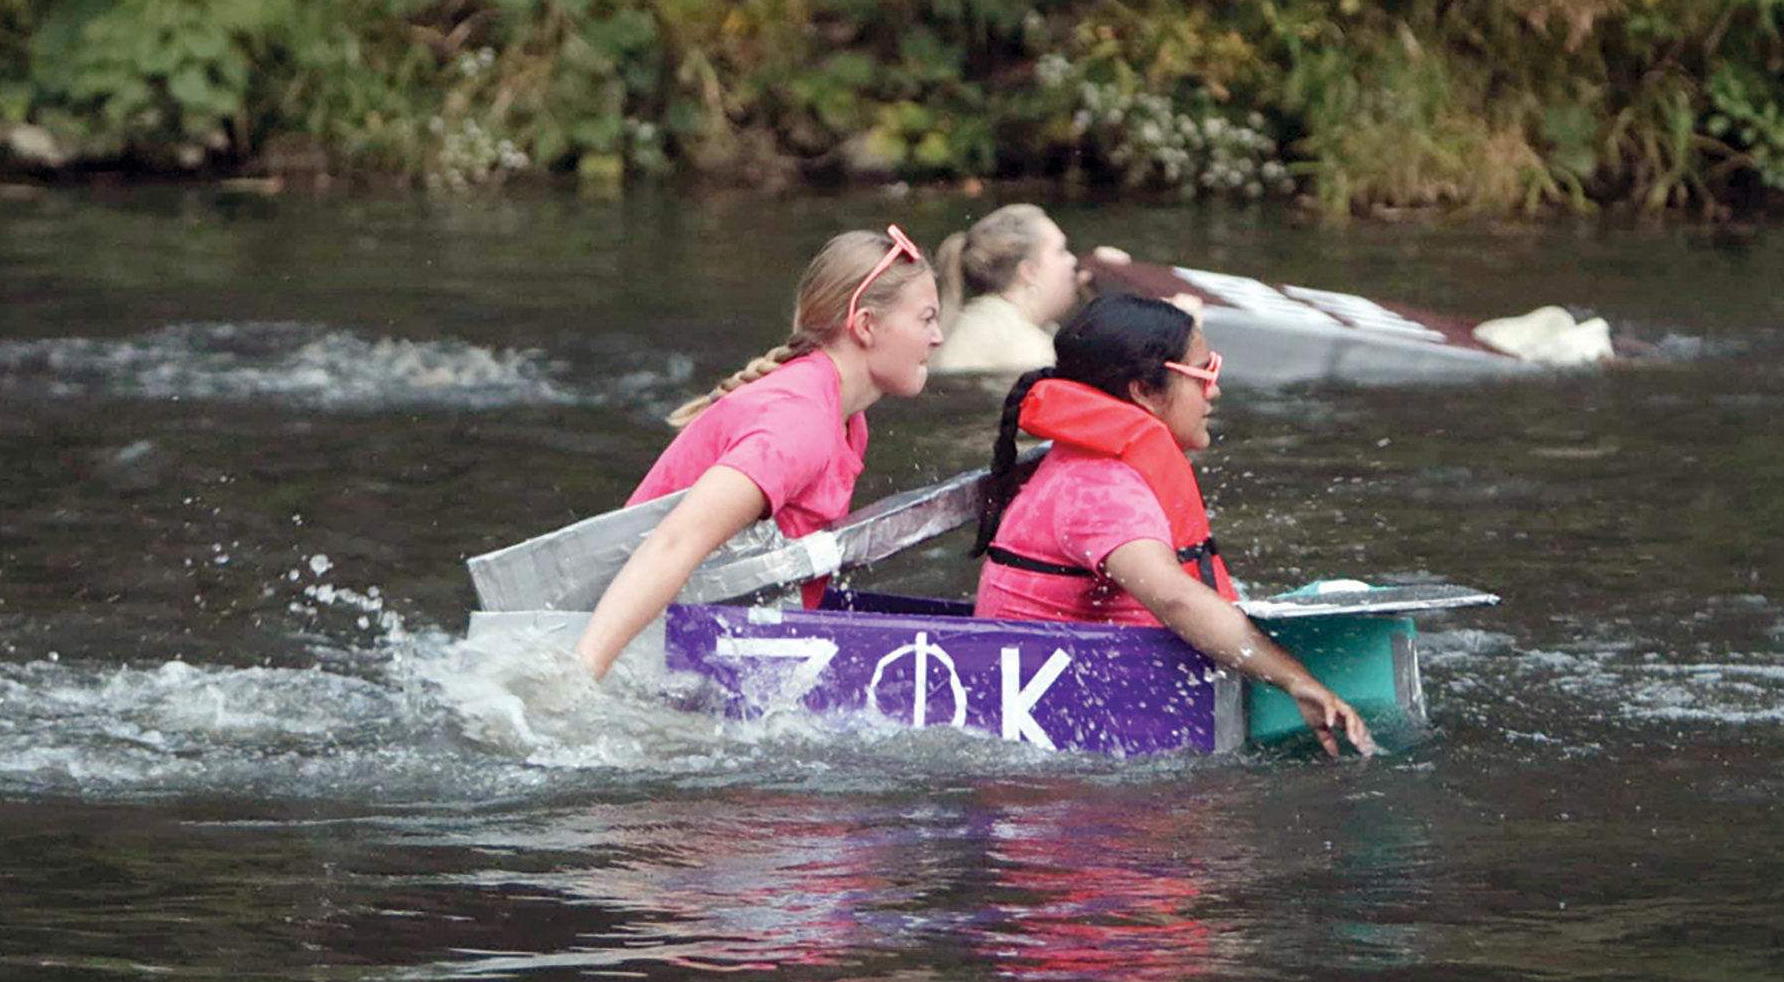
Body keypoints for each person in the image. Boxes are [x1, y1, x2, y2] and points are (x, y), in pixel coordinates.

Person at [971, 294, 1375, 757]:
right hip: (1063, 743)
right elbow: (1177, 598)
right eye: (1205, 374)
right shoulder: (1101, 487)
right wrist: (1298, 681)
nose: (1215, 391)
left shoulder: (1081, 464)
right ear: (1143, 389)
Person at [575, 225, 943, 680]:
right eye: (926, 319)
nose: (938, 337)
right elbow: (675, 541)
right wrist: (581, 672)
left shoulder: (848, 417)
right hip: (627, 649)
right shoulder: (800, 422)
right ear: (865, 325)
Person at [930, 203, 1082, 374]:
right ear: (1029, 272)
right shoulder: (1028, 348)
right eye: (1061, 251)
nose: (1072, 261)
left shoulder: (973, 322)